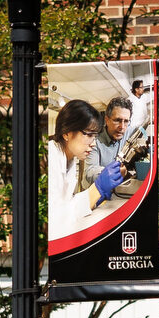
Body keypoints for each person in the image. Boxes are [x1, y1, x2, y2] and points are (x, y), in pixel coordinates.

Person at [47, 99, 120, 241]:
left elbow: (66, 203)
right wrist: (96, 190)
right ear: (67, 133)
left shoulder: (70, 159)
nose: (93, 144)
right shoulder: (51, 158)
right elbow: (56, 218)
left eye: (96, 136)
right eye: (88, 134)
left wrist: (94, 198)